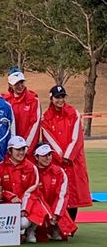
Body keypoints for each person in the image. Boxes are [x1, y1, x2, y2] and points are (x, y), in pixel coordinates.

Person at [41, 85, 92, 221]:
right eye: (57, 97)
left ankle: (70, 224)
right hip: (57, 161)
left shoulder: (73, 113)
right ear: (51, 98)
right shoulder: (45, 118)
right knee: (57, 191)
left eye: (62, 97)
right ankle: (56, 224)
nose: (60, 100)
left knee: (73, 193)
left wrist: (68, 156)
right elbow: (49, 139)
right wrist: (60, 157)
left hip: (73, 161)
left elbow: (77, 137)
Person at [0, 136, 48, 243]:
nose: (21, 152)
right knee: (19, 223)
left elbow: (33, 191)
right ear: (10, 150)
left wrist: (24, 208)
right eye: (18, 149)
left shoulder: (31, 168)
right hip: (7, 205)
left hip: (28, 204)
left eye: (23, 149)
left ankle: (30, 231)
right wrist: (10, 196)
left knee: (24, 222)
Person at [34, 142, 77, 241]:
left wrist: (56, 214)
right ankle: (32, 231)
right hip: (40, 209)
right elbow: (35, 196)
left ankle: (54, 229)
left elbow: (62, 195)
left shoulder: (60, 172)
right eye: (44, 155)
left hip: (55, 209)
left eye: (49, 154)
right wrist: (48, 214)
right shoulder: (32, 171)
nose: (47, 158)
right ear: (36, 157)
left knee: (62, 233)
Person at [3, 68, 41, 158]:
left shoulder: (33, 100)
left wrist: (24, 149)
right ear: (10, 85)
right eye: (16, 83)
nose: (20, 86)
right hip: (9, 150)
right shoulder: (5, 101)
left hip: (26, 151)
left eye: (22, 82)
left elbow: (35, 126)